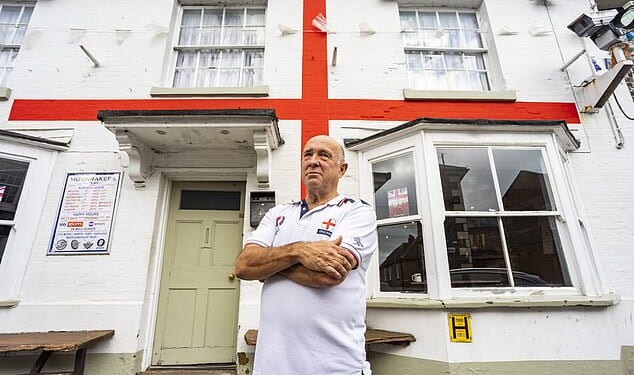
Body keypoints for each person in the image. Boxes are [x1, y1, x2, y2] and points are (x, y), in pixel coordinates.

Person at [235, 135, 378, 375]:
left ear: (342, 169)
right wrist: (299, 251)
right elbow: (243, 266)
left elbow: (329, 276)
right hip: (271, 366)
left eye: (324, 155)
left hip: (333, 367)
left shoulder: (356, 212)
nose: (313, 161)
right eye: (308, 155)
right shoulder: (278, 213)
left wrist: (270, 267)